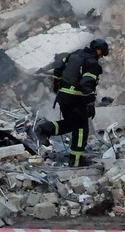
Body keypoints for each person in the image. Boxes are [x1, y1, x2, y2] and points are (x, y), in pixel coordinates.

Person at [31, 38, 109, 167]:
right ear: (99, 51)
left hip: (63, 97)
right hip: (76, 99)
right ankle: (76, 161)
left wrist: (57, 86)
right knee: (81, 129)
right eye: (101, 54)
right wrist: (90, 104)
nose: (100, 57)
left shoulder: (74, 54)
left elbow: (58, 68)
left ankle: (45, 129)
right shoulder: (91, 63)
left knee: (70, 124)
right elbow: (86, 84)